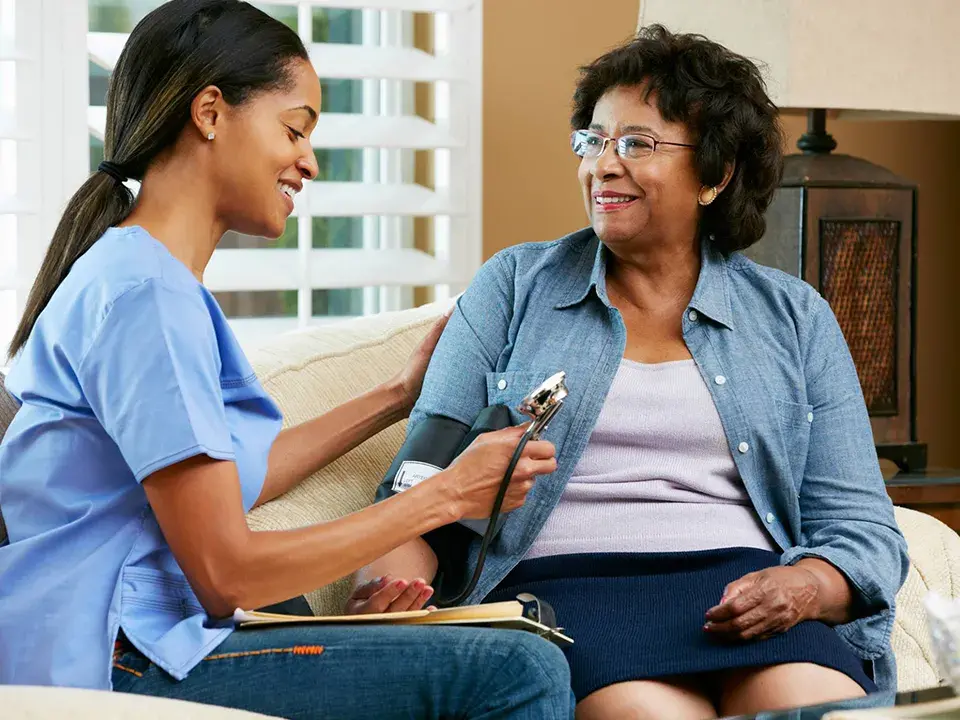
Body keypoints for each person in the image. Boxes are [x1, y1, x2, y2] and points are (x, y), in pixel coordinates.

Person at [0, 2, 574, 718]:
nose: (308, 161)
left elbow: (236, 478)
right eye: (295, 129)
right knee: (519, 670)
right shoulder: (146, 297)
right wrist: (448, 496)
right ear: (210, 111)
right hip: (111, 658)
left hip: (131, 641)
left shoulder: (143, 279)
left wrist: (396, 394)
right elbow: (225, 572)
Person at [360, 25, 909, 719]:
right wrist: (386, 589)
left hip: (750, 598)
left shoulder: (795, 317)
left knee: (820, 707)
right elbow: (421, 475)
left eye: (636, 144)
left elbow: (861, 524)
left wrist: (804, 587)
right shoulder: (513, 286)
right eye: (592, 140)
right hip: (570, 596)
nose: (602, 165)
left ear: (715, 174)